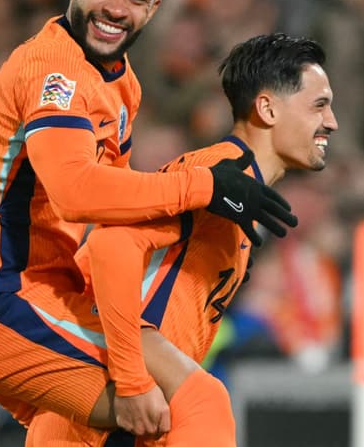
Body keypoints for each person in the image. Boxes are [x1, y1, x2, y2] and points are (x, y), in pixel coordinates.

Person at [0, 0, 298, 434]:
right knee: (192, 400)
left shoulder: (121, 83)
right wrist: (206, 186)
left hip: (43, 294)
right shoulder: (53, 73)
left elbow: (110, 215)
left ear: (154, 8)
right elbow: (77, 191)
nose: (116, 8)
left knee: (81, 432)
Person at [26, 32, 337, 445]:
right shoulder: (215, 177)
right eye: (319, 105)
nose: (331, 121)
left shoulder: (236, 193)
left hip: (127, 420)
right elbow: (110, 246)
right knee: (209, 399)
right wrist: (133, 378)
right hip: (101, 422)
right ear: (267, 108)